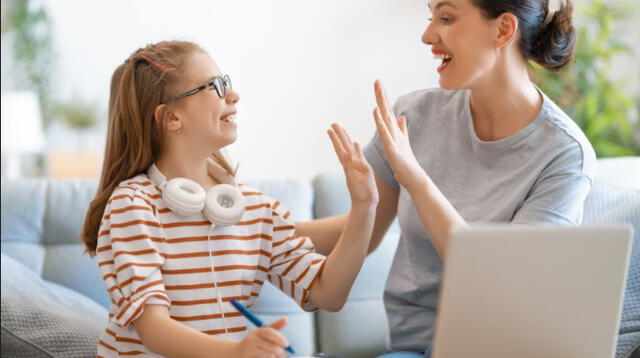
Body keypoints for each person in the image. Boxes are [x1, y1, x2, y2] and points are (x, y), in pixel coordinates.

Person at [295, 0, 595, 357]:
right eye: (431, 17)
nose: (426, 36)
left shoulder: (563, 154)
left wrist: (416, 180)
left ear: (503, 30)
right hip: (415, 347)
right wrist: (257, 226)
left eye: (447, 18)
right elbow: (363, 230)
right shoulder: (414, 115)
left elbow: (501, 283)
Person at [80, 40, 378, 358]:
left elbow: (328, 294)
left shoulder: (254, 208)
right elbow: (154, 330)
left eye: (228, 83)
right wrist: (237, 352)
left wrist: (364, 208)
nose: (233, 95)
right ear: (171, 119)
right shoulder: (133, 206)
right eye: (216, 86)